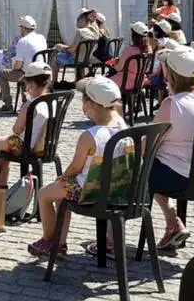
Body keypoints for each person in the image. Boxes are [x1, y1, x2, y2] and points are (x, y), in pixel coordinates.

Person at [28, 76, 129, 258]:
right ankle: (106, 243)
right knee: (60, 194)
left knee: (45, 194)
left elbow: (75, 168)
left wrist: (61, 179)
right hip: (118, 190)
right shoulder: (126, 128)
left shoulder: (90, 136)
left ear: (91, 105)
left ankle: (50, 241)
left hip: (90, 192)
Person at [149, 48, 194, 249]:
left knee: (134, 168)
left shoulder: (172, 104)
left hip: (185, 177)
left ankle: (110, 240)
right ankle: (173, 223)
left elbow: (148, 146)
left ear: (171, 74)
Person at [0, 61, 53, 186]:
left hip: (26, 147)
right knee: (3, 154)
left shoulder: (30, 105)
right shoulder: (54, 101)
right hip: (46, 147)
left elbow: (16, 130)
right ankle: (0, 185)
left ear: (30, 83)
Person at [0, 15, 48, 112]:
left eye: (21, 27)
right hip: (42, 71)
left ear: (24, 29)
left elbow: (18, 65)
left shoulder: (22, 41)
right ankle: (25, 102)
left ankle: (8, 104)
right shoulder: (42, 38)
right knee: (24, 70)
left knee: (2, 74)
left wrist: (13, 66)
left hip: (29, 74)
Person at [48, 10, 99, 82]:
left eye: (77, 20)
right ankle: (79, 79)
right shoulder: (95, 32)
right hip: (86, 59)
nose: (77, 22)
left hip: (75, 60)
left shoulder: (81, 31)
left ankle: (54, 81)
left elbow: (72, 49)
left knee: (55, 56)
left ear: (82, 19)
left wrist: (61, 48)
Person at [110, 22, 152, 90]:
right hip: (140, 82)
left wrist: (114, 64)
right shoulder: (149, 49)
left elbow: (118, 68)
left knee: (103, 82)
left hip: (125, 82)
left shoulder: (128, 50)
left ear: (133, 36)